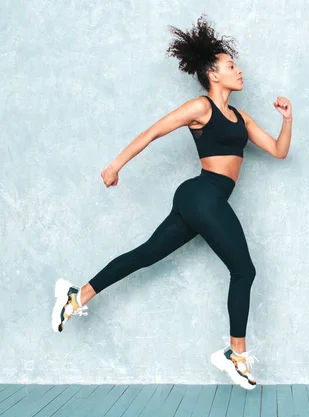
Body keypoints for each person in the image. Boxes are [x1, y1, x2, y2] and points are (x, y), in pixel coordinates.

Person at [51, 15, 293, 390]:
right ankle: (236, 354)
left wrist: (287, 120)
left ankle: (77, 295)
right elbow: (154, 131)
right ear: (214, 73)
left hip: (202, 198)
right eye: (231, 65)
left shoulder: (242, 118)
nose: (239, 70)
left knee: (147, 253)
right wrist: (115, 165)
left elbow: (278, 151)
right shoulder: (200, 108)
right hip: (202, 193)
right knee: (244, 270)